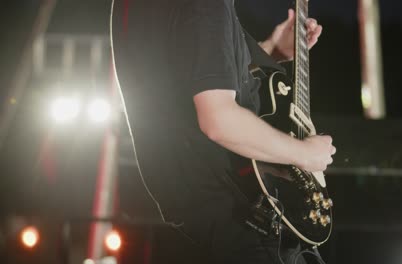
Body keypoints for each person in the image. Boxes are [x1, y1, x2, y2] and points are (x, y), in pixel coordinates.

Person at [110, 0, 336, 263]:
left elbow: (190, 82)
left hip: (194, 217)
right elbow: (218, 119)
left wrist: (270, 50)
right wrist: (304, 153)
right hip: (239, 213)